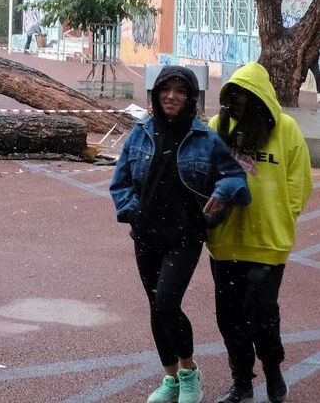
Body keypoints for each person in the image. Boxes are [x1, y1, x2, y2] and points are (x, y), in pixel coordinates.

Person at [111, 65, 250, 403]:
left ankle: (190, 374)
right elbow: (121, 181)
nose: (171, 96)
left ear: (190, 97)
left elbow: (236, 177)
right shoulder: (141, 133)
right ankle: (170, 378)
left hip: (185, 236)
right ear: (156, 93)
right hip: (146, 235)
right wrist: (133, 212)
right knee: (155, 307)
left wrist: (222, 193)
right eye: (165, 89)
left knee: (167, 302)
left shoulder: (204, 138)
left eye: (180, 91)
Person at [207, 62, 313, 403]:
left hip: (268, 242)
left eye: (245, 99)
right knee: (229, 317)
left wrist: (282, 216)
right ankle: (242, 381)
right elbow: (204, 172)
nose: (238, 106)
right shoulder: (218, 126)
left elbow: (299, 182)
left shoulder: (286, 129)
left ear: (260, 99)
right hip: (225, 242)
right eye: (234, 99)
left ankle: (272, 368)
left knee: (262, 313)